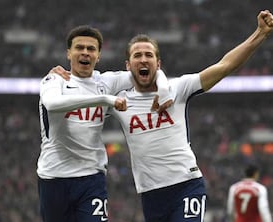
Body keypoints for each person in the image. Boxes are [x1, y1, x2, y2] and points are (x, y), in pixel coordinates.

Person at [55, 10, 273, 221]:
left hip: (187, 185)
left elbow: (224, 66)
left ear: (158, 64)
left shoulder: (178, 88)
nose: (143, 59)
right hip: (150, 194)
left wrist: (260, 33)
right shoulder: (118, 101)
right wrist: (58, 76)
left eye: (149, 55)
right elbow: (82, 94)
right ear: (127, 65)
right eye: (137, 55)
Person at [37, 25, 172, 222]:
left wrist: (164, 88)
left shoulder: (106, 82)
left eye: (91, 49)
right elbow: (52, 104)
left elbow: (149, 70)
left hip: (91, 178)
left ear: (98, 55)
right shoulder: (54, 80)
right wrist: (104, 100)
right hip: (53, 176)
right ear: (69, 53)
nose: (85, 52)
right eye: (79, 48)